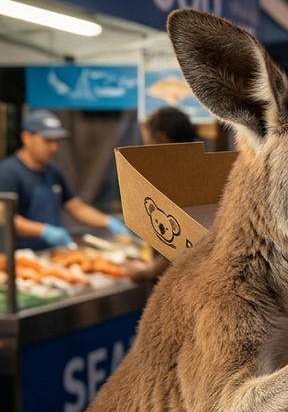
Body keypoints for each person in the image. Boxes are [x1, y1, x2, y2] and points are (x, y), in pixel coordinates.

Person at [0, 109, 132, 250]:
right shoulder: (7, 172)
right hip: (18, 254)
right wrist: (44, 231)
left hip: (50, 253)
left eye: (56, 141)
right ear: (26, 137)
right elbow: (3, 216)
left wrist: (108, 222)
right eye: (47, 140)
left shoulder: (53, 172)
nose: (54, 147)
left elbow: (76, 207)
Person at [124, 107, 200, 283]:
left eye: (147, 141)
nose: (145, 148)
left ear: (161, 138)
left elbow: (187, 241)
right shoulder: (204, 163)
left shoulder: (180, 175)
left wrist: (148, 271)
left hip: (183, 282)